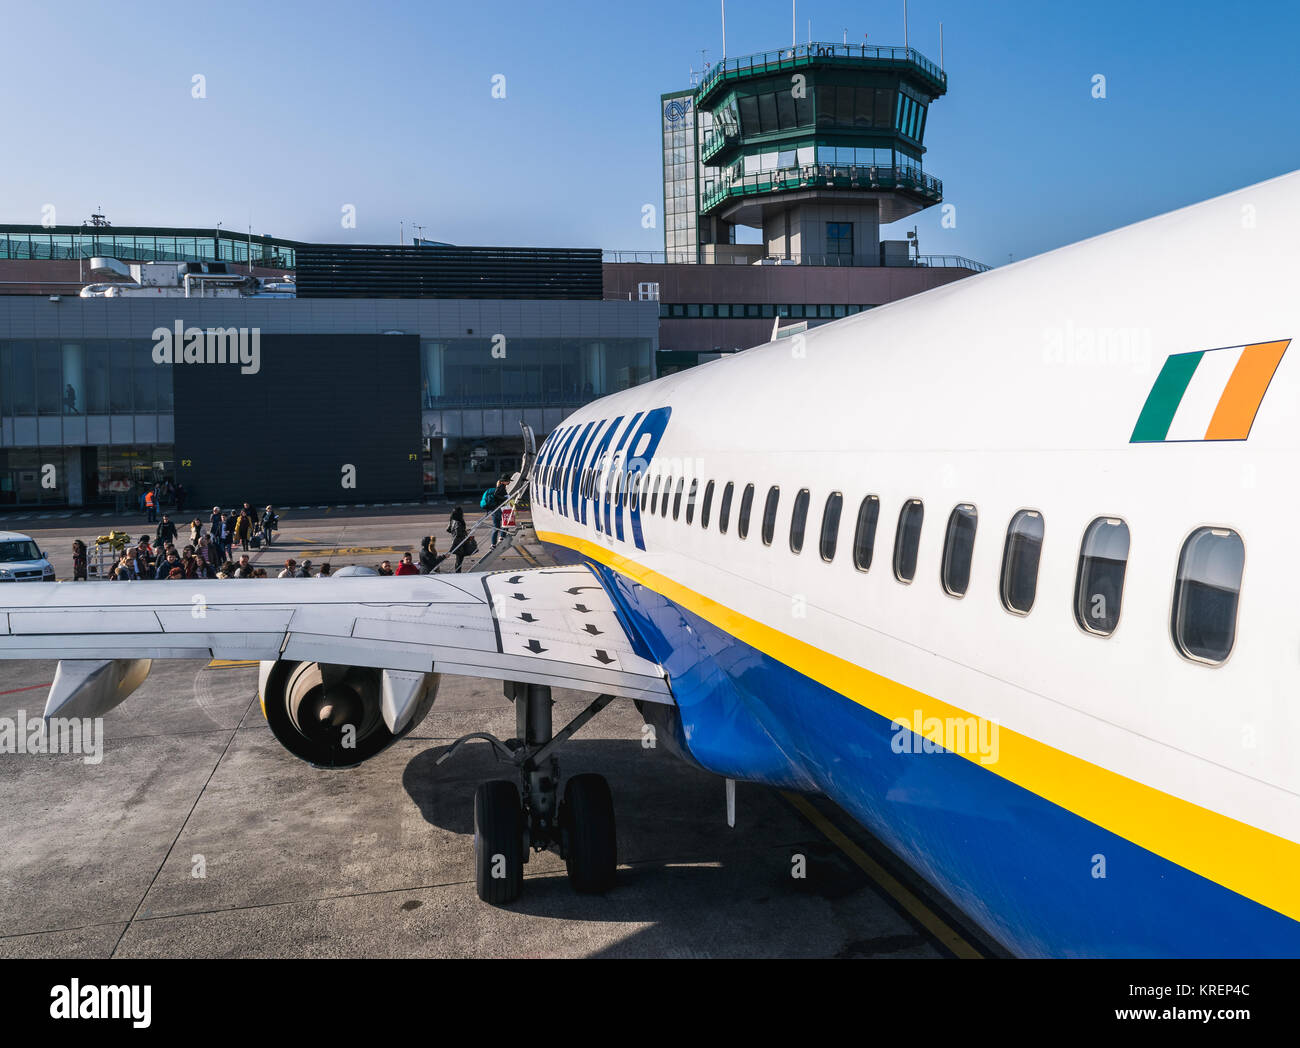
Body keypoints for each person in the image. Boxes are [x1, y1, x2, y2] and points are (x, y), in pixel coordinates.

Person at [482, 477, 510, 548]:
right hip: (498, 509)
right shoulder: (500, 489)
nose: (509, 482)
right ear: (503, 482)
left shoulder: (493, 489)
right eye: (508, 481)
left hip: (492, 510)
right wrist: (506, 498)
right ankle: (502, 537)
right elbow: (499, 498)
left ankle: (493, 544)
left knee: (496, 527)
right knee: (506, 522)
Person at [447, 506, 473, 572]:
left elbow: (449, 530)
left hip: (456, 541)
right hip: (459, 542)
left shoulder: (452, 520)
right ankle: (458, 572)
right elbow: (458, 534)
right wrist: (465, 532)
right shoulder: (458, 522)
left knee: (458, 559)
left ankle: (458, 571)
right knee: (459, 559)